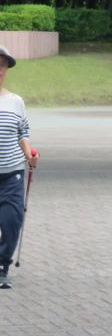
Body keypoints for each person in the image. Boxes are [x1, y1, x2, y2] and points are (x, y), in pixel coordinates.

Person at [0, 46, 39, 289]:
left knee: (12, 221)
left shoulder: (16, 102)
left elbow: (22, 132)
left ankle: (2, 266)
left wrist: (29, 154)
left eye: (2, 65)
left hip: (12, 172)